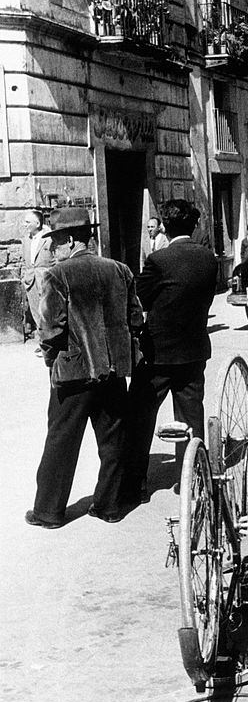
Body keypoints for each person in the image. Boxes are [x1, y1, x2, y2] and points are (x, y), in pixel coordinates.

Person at [25, 207, 143, 528]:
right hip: (113, 371)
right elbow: (136, 320)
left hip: (73, 374)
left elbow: (50, 330)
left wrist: (53, 363)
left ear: (74, 240)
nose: (54, 249)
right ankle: (109, 506)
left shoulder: (57, 275)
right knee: (113, 439)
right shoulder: (120, 270)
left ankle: (48, 512)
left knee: (61, 440)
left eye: (58, 242)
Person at [127, 199, 218, 502]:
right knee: (191, 415)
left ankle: (137, 483)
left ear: (165, 226)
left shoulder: (159, 260)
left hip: (159, 352)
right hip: (194, 350)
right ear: (194, 226)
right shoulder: (208, 258)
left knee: (141, 415)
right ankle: (191, 478)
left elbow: (140, 298)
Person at [21, 208, 53, 339]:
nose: (25, 224)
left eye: (28, 222)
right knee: (36, 312)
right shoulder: (25, 239)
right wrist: (25, 275)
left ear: (38, 224)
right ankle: (43, 341)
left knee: (48, 311)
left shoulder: (50, 238)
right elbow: (25, 261)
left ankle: (52, 341)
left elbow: (56, 259)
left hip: (45, 279)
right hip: (30, 281)